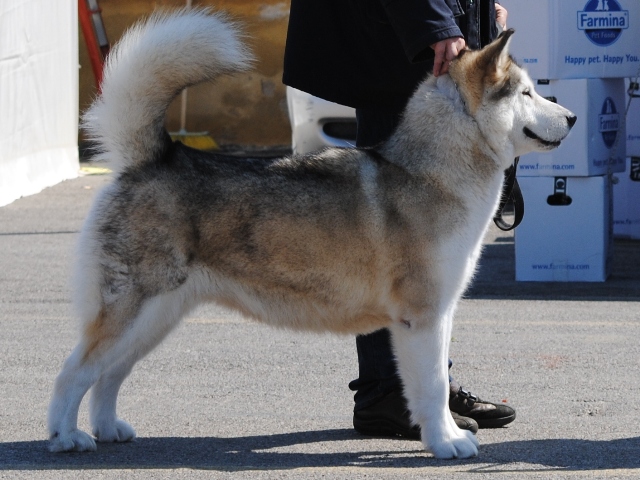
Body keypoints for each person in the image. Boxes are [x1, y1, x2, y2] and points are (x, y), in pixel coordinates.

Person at [283, 0, 515, 438]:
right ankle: (390, 393)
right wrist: (436, 23)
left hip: (423, 37)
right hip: (408, 45)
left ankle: (425, 389)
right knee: (402, 253)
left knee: (427, 256)